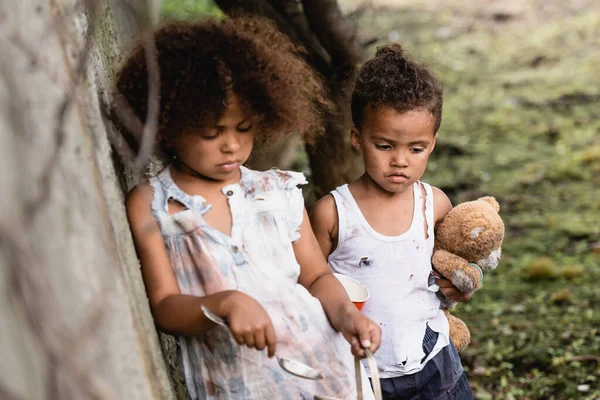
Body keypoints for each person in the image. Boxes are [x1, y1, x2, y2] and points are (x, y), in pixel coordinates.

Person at [120, 17, 381, 400]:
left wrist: (348, 316)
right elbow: (164, 306)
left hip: (326, 371)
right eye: (211, 133)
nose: (231, 146)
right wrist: (224, 303)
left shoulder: (277, 191)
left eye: (243, 128)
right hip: (239, 385)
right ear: (166, 127)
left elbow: (316, 277)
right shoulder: (154, 204)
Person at [310, 43, 476, 400]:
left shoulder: (436, 204)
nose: (400, 160)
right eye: (385, 146)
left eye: (416, 149)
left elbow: (451, 272)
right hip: (362, 372)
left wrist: (457, 288)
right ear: (358, 139)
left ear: (432, 144)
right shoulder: (333, 213)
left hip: (436, 364)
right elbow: (308, 283)